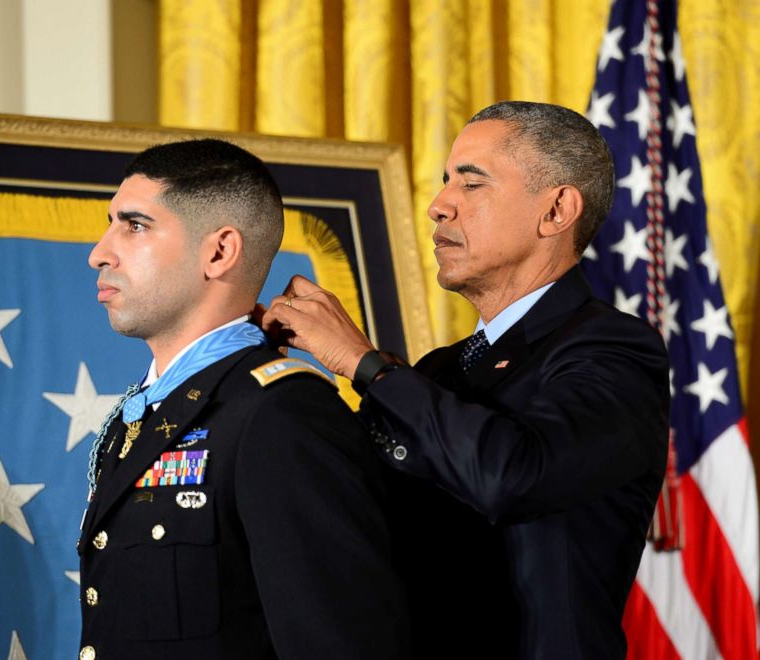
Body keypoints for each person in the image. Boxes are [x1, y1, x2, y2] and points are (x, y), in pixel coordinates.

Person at [261, 101, 670, 658]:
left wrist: (362, 361)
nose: (437, 207)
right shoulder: (439, 371)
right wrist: (241, 362)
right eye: (445, 183)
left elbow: (515, 474)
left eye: (471, 185)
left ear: (556, 211)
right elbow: (343, 500)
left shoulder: (614, 349)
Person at [77, 138, 409, 660]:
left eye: (134, 225)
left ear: (219, 251)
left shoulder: (282, 414)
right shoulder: (143, 414)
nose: (100, 251)